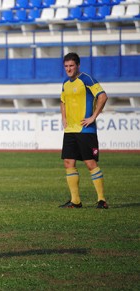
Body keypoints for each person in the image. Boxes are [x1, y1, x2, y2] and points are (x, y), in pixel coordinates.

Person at [59, 53, 108, 209]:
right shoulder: (65, 83)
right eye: (66, 66)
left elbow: (103, 96)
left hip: (85, 129)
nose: (69, 69)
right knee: (68, 162)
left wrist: (93, 116)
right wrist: (64, 118)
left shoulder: (87, 79)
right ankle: (75, 201)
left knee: (90, 163)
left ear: (78, 65)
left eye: (71, 66)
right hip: (70, 130)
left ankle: (102, 200)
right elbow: (62, 101)